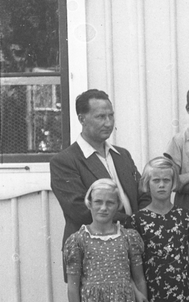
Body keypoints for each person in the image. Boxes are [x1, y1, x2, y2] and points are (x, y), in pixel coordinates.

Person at [51, 89, 146, 248]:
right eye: (101, 117)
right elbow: (80, 210)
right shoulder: (65, 161)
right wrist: (131, 224)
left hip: (131, 246)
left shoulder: (122, 155)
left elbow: (144, 193)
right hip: (91, 250)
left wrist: (141, 223)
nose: (108, 123)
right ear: (82, 119)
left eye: (111, 116)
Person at [127, 157, 189, 302]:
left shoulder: (186, 216)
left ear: (174, 183)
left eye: (166, 180)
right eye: (156, 180)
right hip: (153, 294)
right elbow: (133, 265)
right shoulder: (137, 220)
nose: (161, 185)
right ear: (146, 184)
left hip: (181, 293)